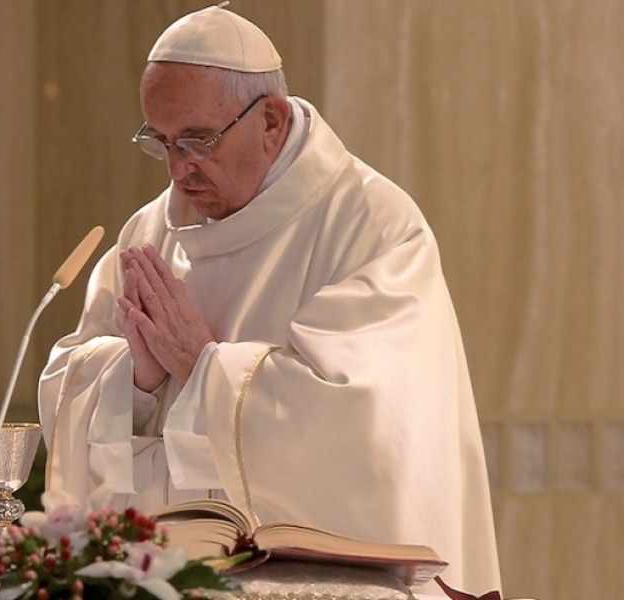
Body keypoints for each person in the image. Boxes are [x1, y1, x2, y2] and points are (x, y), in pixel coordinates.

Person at [38, 5, 501, 596]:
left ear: (272, 121)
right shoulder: (151, 233)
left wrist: (199, 363)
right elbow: (69, 381)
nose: (178, 169)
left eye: (197, 141)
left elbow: (363, 422)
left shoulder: (375, 227)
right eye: (161, 142)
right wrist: (136, 379)